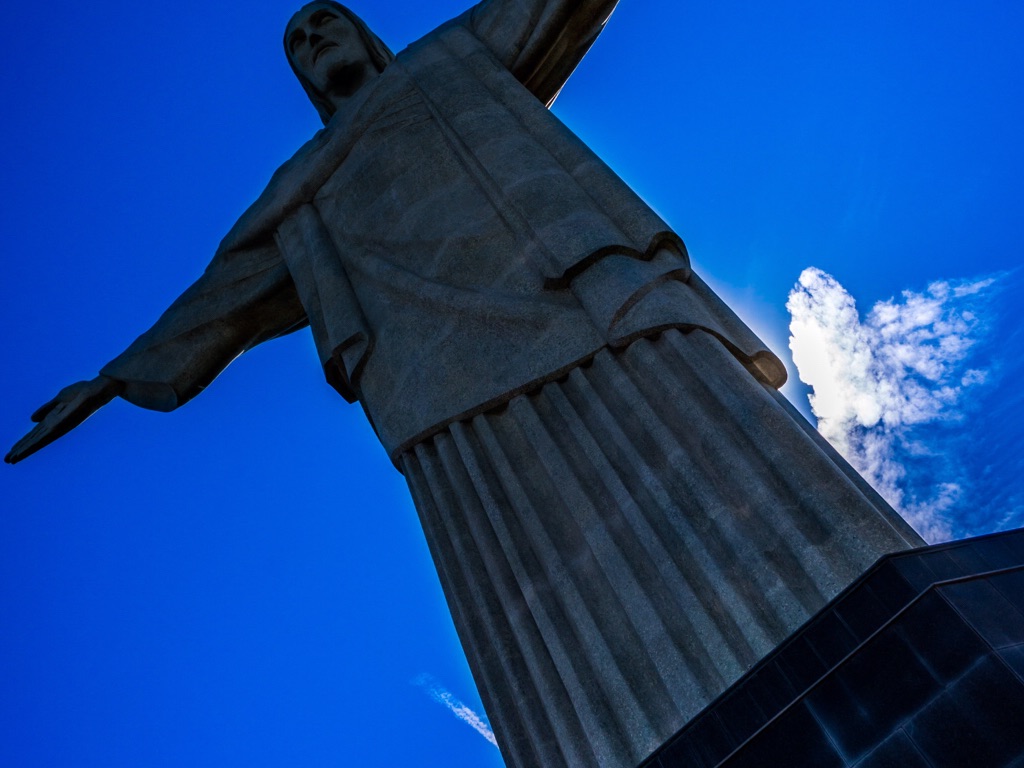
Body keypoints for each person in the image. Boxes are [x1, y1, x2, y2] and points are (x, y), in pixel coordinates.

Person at [7, 3, 923, 766]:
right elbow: (218, 297)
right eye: (298, 43)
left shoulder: (455, 52)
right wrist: (112, 379)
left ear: (362, 32)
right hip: (442, 396)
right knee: (539, 590)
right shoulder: (299, 187)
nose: (315, 41)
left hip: (582, 294)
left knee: (722, 464)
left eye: (325, 23)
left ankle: (891, 646)